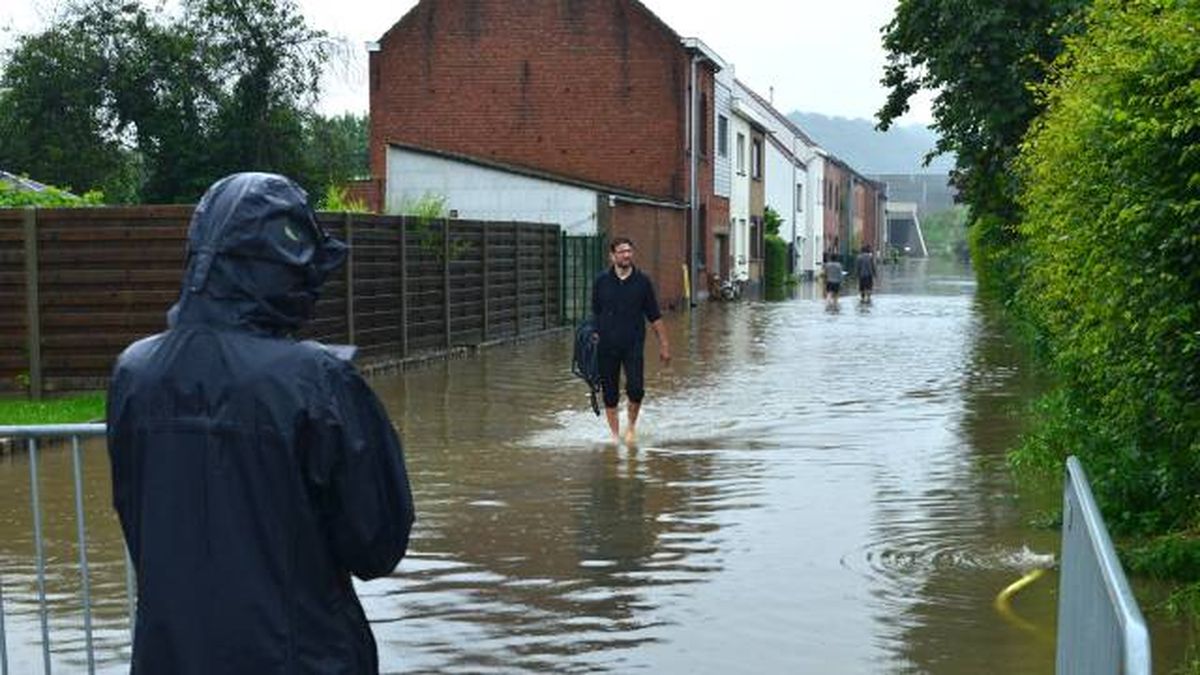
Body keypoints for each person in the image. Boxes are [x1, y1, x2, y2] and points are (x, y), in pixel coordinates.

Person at [106, 172, 415, 674]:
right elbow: (376, 544)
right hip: (300, 657)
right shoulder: (317, 380)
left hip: (171, 656)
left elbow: (136, 513)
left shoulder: (134, 374)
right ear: (289, 269)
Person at [591, 236, 670, 445]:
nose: (627, 255)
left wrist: (664, 345)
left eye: (629, 251)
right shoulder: (600, 282)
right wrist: (593, 335)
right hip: (606, 347)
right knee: (609, 395)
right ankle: (615, 437)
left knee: (636, 389)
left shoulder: (642, 282)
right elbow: (595, 313)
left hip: (633, 345)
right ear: (612, 256)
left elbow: (654, 316)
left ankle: (631, 427)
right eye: (622, 251)